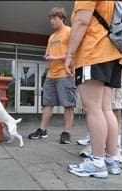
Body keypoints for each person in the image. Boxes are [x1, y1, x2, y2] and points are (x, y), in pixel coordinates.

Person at [65, 1, 122, 178]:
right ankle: (111, 159)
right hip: (114, 55)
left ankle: (97, 162)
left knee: (93, 108)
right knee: (107, 109)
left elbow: (82, 21)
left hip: (93, 52)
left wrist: (70, 54)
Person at [28, 7, 77, 144]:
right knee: (48, 103)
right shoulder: (52, 37)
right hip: (51, 74)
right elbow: (49, 53)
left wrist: (56, 57)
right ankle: (42, 130)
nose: (52, 21)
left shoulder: (69, 32)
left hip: (65, 73)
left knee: (68, 104)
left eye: (54, 18)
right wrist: (48, 56)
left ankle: (67, 133)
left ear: (62, 18)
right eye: (50, 18)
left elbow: (74, 53)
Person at [78, 57, 122, 163]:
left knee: (98, 109)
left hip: (98, 57)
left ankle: (101, 157)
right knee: (106, 109)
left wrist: (69, 55)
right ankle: (111, 155)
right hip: (113, 60)